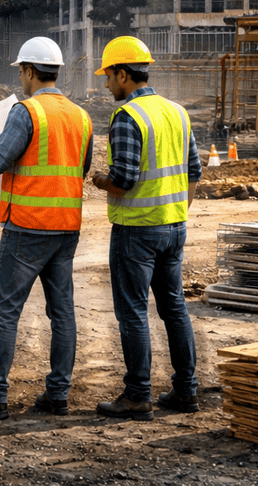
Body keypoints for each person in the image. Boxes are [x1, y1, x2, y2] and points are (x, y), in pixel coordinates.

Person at [0, 36, 92, 420]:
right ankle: (57, 394)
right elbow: (82, 168)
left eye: (21, 73)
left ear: (28, 71)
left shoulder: (27, 112)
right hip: (66, 228)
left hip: (27, 227)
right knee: (62, 314)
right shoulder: (81, 116)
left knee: (6, 312)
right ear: (55, 71)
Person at [90, 36, 201, 421]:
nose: (106, 85)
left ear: (124, 74)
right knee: (174, 308)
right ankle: (186, 391)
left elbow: (122, 179)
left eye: (108, 77)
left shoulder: (128, 117)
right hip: (174, 227)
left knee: (133, 312)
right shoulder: (177, 111)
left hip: (136, 229)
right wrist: (174, 213)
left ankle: (138, 394)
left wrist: (99, 180)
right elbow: (194, 173)